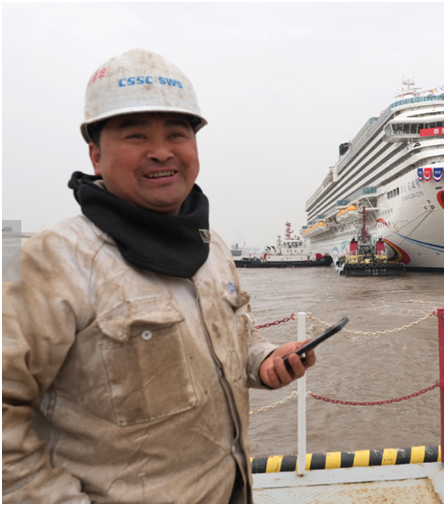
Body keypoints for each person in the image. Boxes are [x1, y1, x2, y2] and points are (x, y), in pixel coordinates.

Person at [2, 49, 315, 503]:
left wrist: (263, 361)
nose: (162, 151)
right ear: (95, 155)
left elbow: (231, 335)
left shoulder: (212, 248)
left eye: (176, 133)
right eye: (136, 135)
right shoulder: (49, 260)